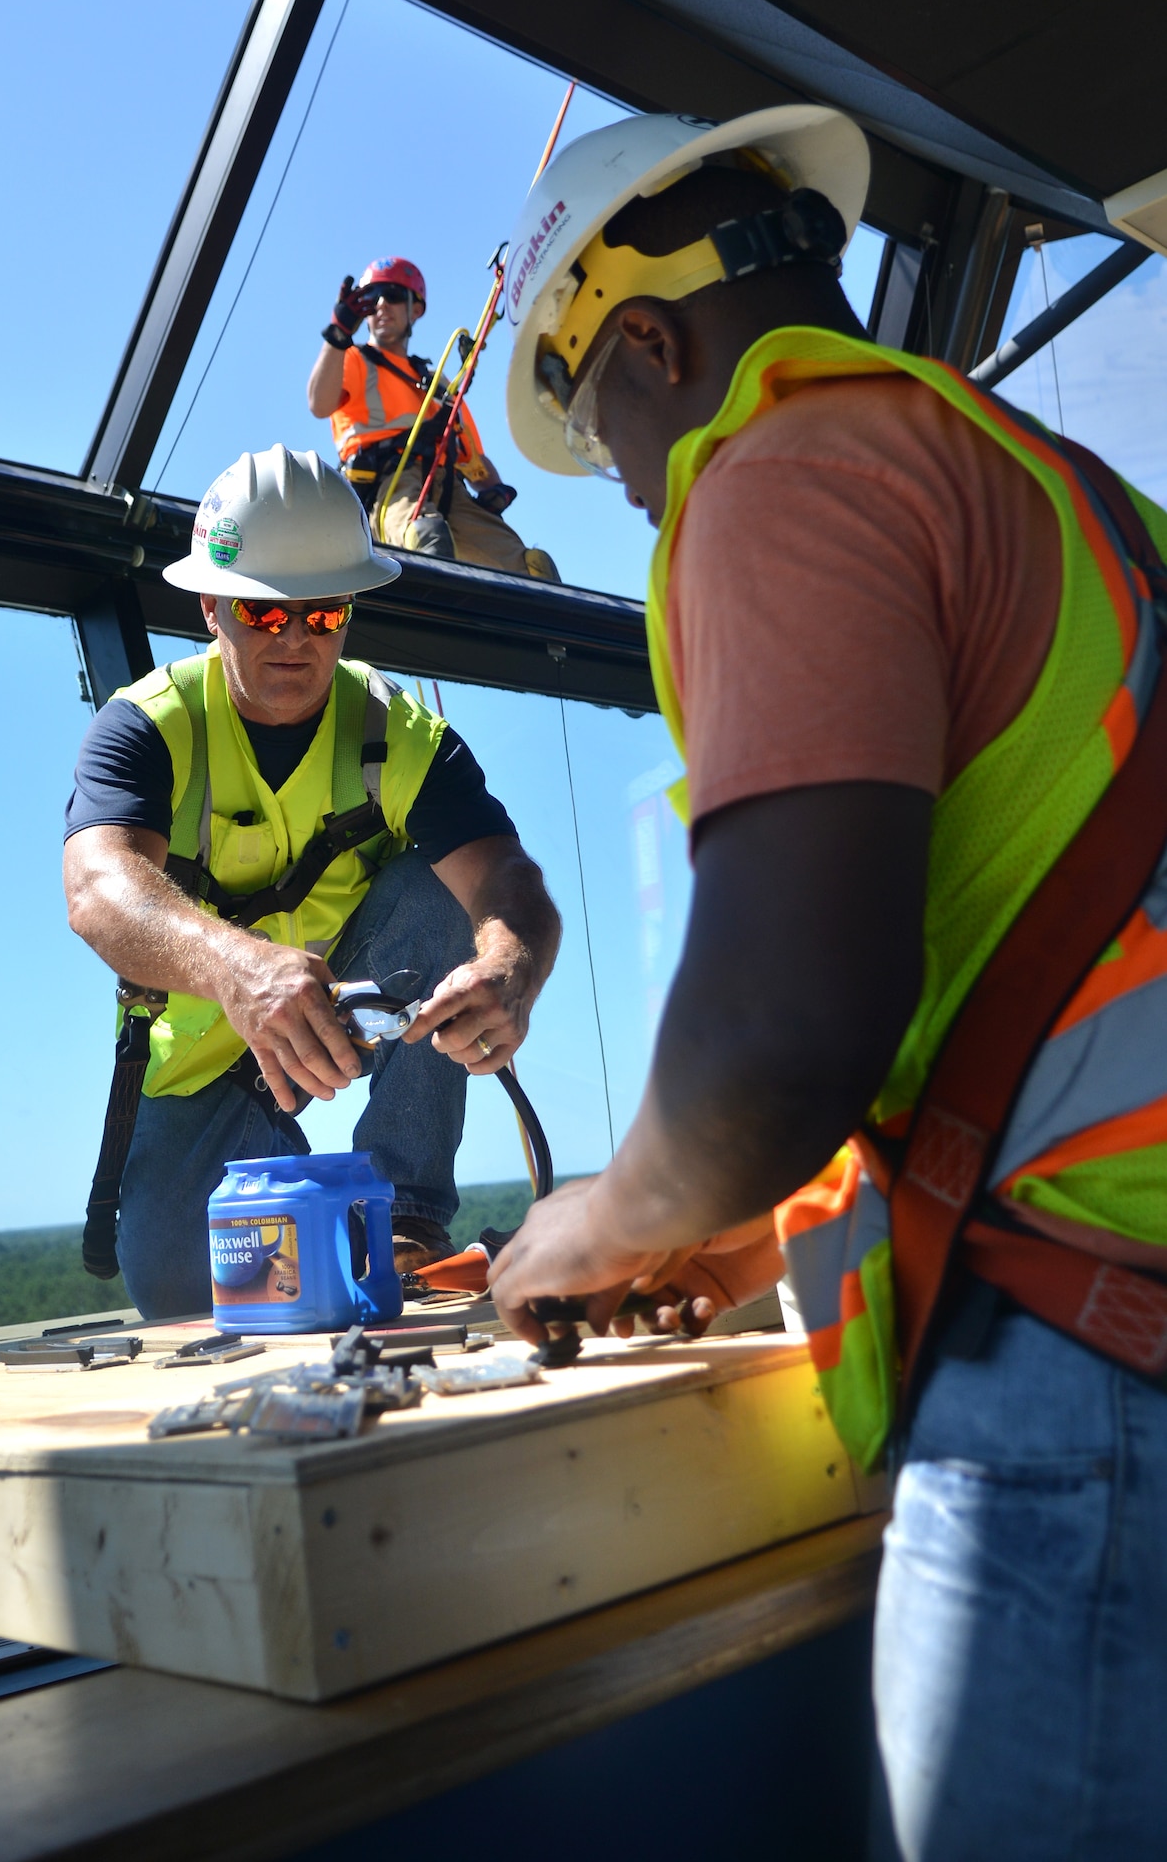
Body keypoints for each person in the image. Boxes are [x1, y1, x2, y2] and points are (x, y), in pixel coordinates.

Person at [491, 103, 1167, 1858]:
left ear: (645, 341)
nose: (632, 486)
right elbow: (1029, 967)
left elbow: (782, 1030)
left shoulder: (781, 475)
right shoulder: (1071, 501)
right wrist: (729, 1228)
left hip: (1092, 1390)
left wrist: (601, 1216)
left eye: (600, 431)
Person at [64, 444, 560, 1314]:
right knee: (186, 1297)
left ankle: (406, 1218)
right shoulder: (145, 728)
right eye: (262, 614)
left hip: (361, 999)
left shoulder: (401, 735)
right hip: (204, 1056)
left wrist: (509, 970)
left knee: (445, 895)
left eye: (321, 613)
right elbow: (99, 890)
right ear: (211, 605)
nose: (293, 637)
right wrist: (239, 971)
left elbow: (505, 880)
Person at [307, 255, 558, 578]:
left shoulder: (437, 383)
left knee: (534, 568)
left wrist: (494, 489)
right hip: (392, 486)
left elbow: (472, 456)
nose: (382, 305)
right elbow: (318, 402)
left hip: (451, 488)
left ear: (416, 309)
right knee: (427, 538)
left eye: (395, 296)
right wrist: (338, 334)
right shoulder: (352, 359)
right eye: (372, 299)